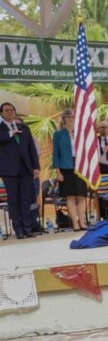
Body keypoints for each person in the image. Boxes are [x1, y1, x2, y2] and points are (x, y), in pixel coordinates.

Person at [0, 102, 41, 239]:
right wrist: (11, 133)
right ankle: (18, 229)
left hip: (25, 169)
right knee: (14, 200)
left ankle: (28, 228)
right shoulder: (1, 129)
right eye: (7, 110)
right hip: (9, 170)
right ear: (2, 113)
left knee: (25, 199)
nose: (10, 112)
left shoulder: (24, 128)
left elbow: (32, 149)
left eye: (12, 110)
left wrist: (36, 167)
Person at [52, 108, 89, 231]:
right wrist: (58, 171)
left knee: (81, 196)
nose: (70, 119)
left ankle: (82, 222)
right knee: (70, 197)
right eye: (68, 117)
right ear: (63, 120)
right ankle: (75, 223)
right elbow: (55, 154)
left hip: (80, 166)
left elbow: (86, 151)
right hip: (65, 167)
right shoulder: (58, 135)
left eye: (72, 117)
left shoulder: (80, 133)